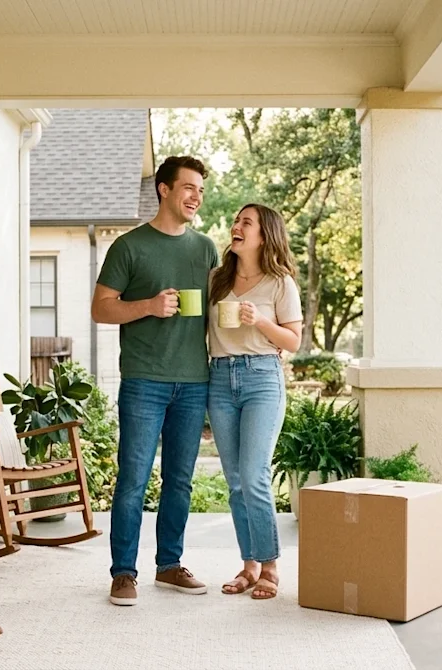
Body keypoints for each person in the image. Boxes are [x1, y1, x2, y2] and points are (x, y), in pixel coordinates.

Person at [91, 156, 220, 606]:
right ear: (164, 189)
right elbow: (100, 308)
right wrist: (148, 305)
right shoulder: (129, 246)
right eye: (188, 188)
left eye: (200, 190)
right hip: (144, 381)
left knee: (180, 481)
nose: (196, 197)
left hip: (194, 381)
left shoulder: (206, 249)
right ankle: (123, 573)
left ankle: (169, 566)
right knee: (133, 480)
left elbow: (219, 310)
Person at [206, 203, 302, 601]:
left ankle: (270, 566)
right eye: (236, 220)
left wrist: (259, 320)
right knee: (235, 481)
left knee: (254, 474)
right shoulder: (216, 279)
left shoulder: (280, 283)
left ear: (264, 236)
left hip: (262, 378)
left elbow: (293, 342)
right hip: (218, 378)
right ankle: (249, 565)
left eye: (246, 222)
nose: (236, 226)